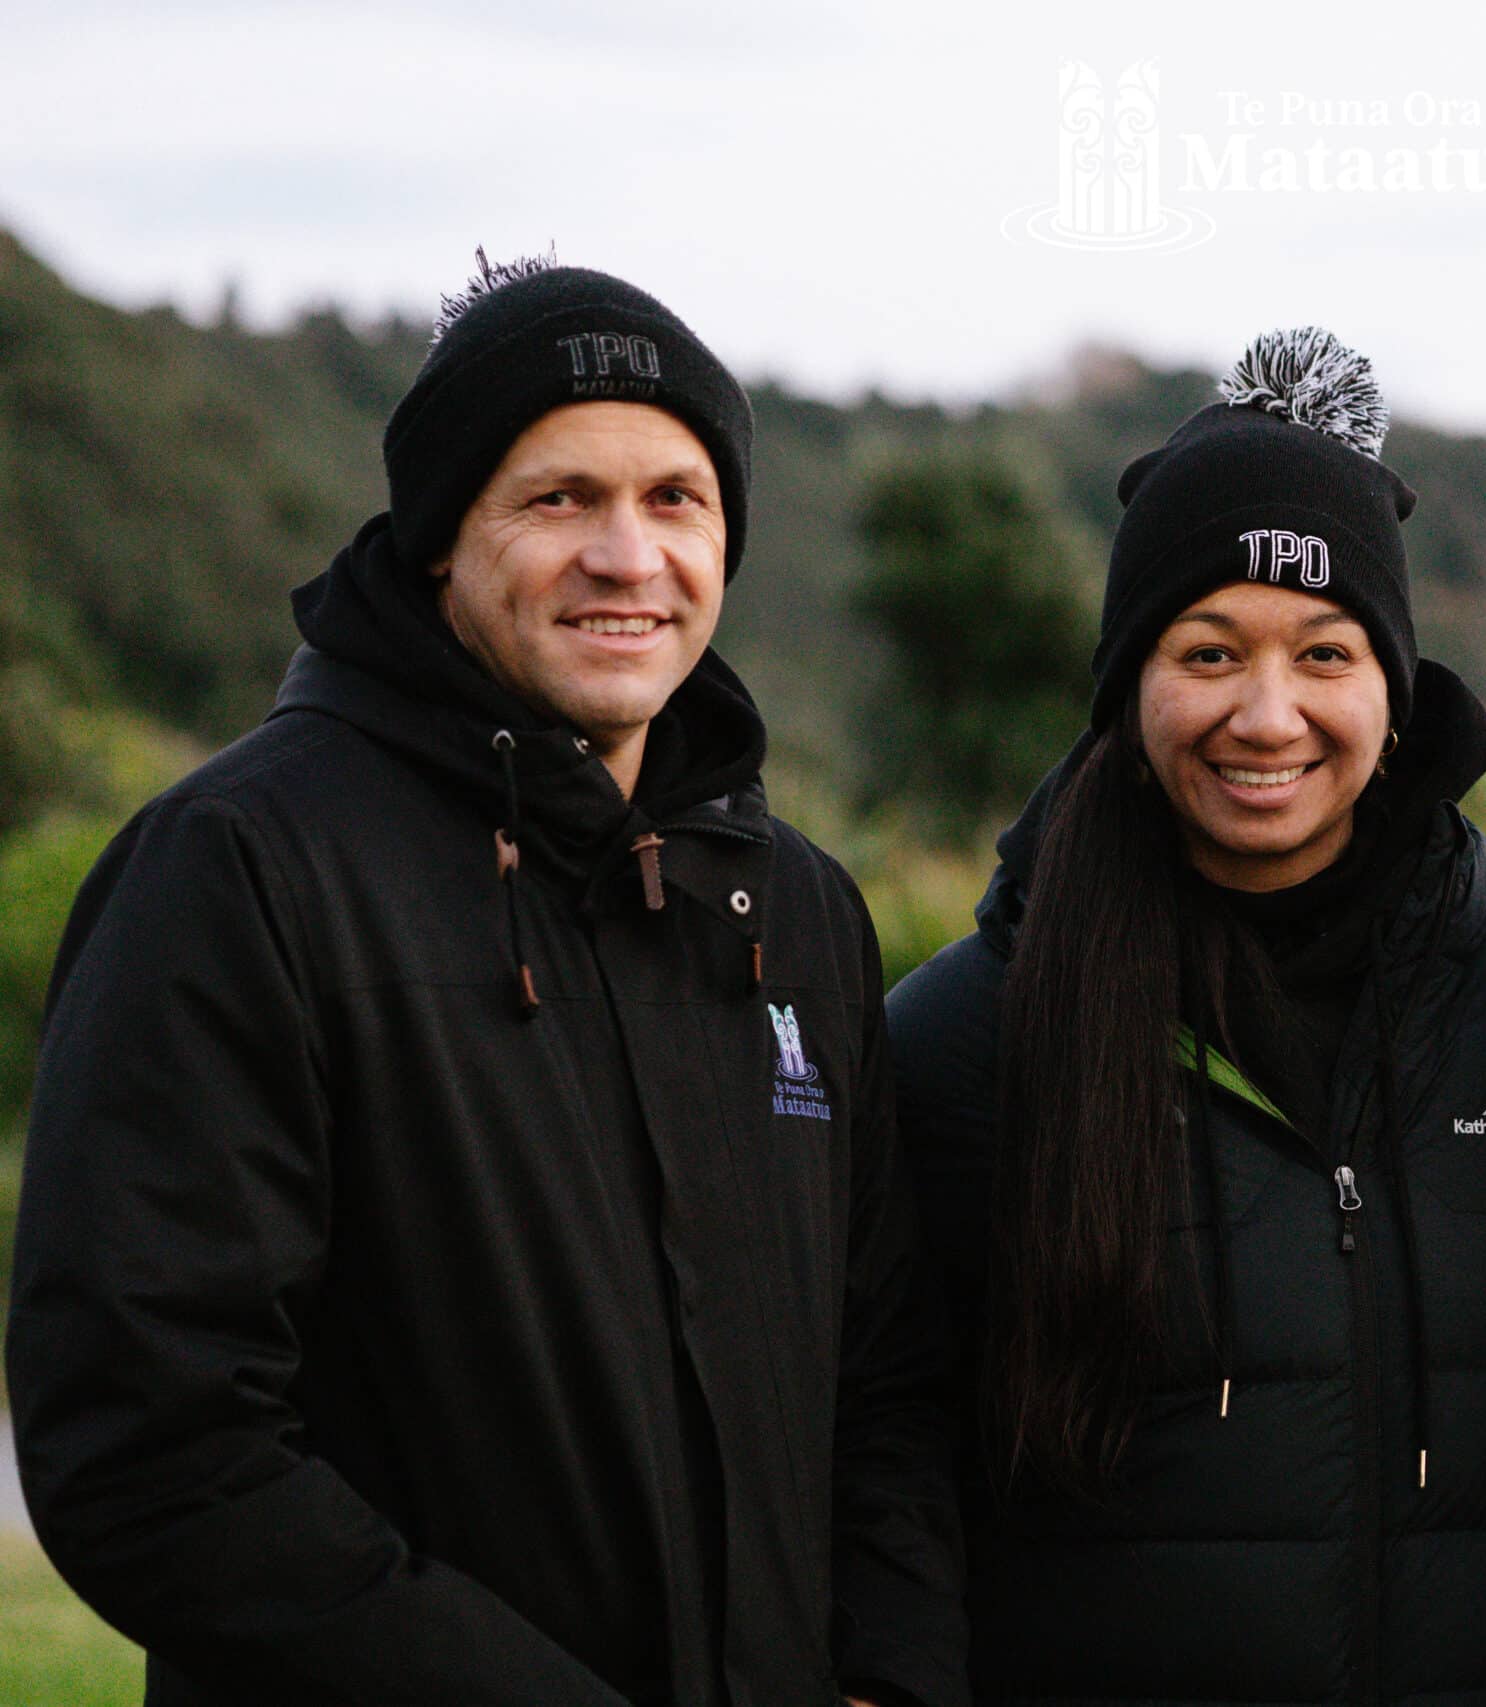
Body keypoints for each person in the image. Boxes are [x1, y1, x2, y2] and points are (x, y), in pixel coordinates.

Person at [7, 254, 967, 1707]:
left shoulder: (798, 908)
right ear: (442, 537)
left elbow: (883, 1383)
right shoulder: (239, 870)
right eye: (558, 496)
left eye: (675, 499)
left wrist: (891, 1675)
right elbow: (153, 1447)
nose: (628, 554)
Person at [887, 328, 1486, 1705]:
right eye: (1208, 649)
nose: (1266, 712)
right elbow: (882, 1466)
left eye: (1325, 650)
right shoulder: (964, 1036)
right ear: (1129, 683)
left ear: (1395, 688)